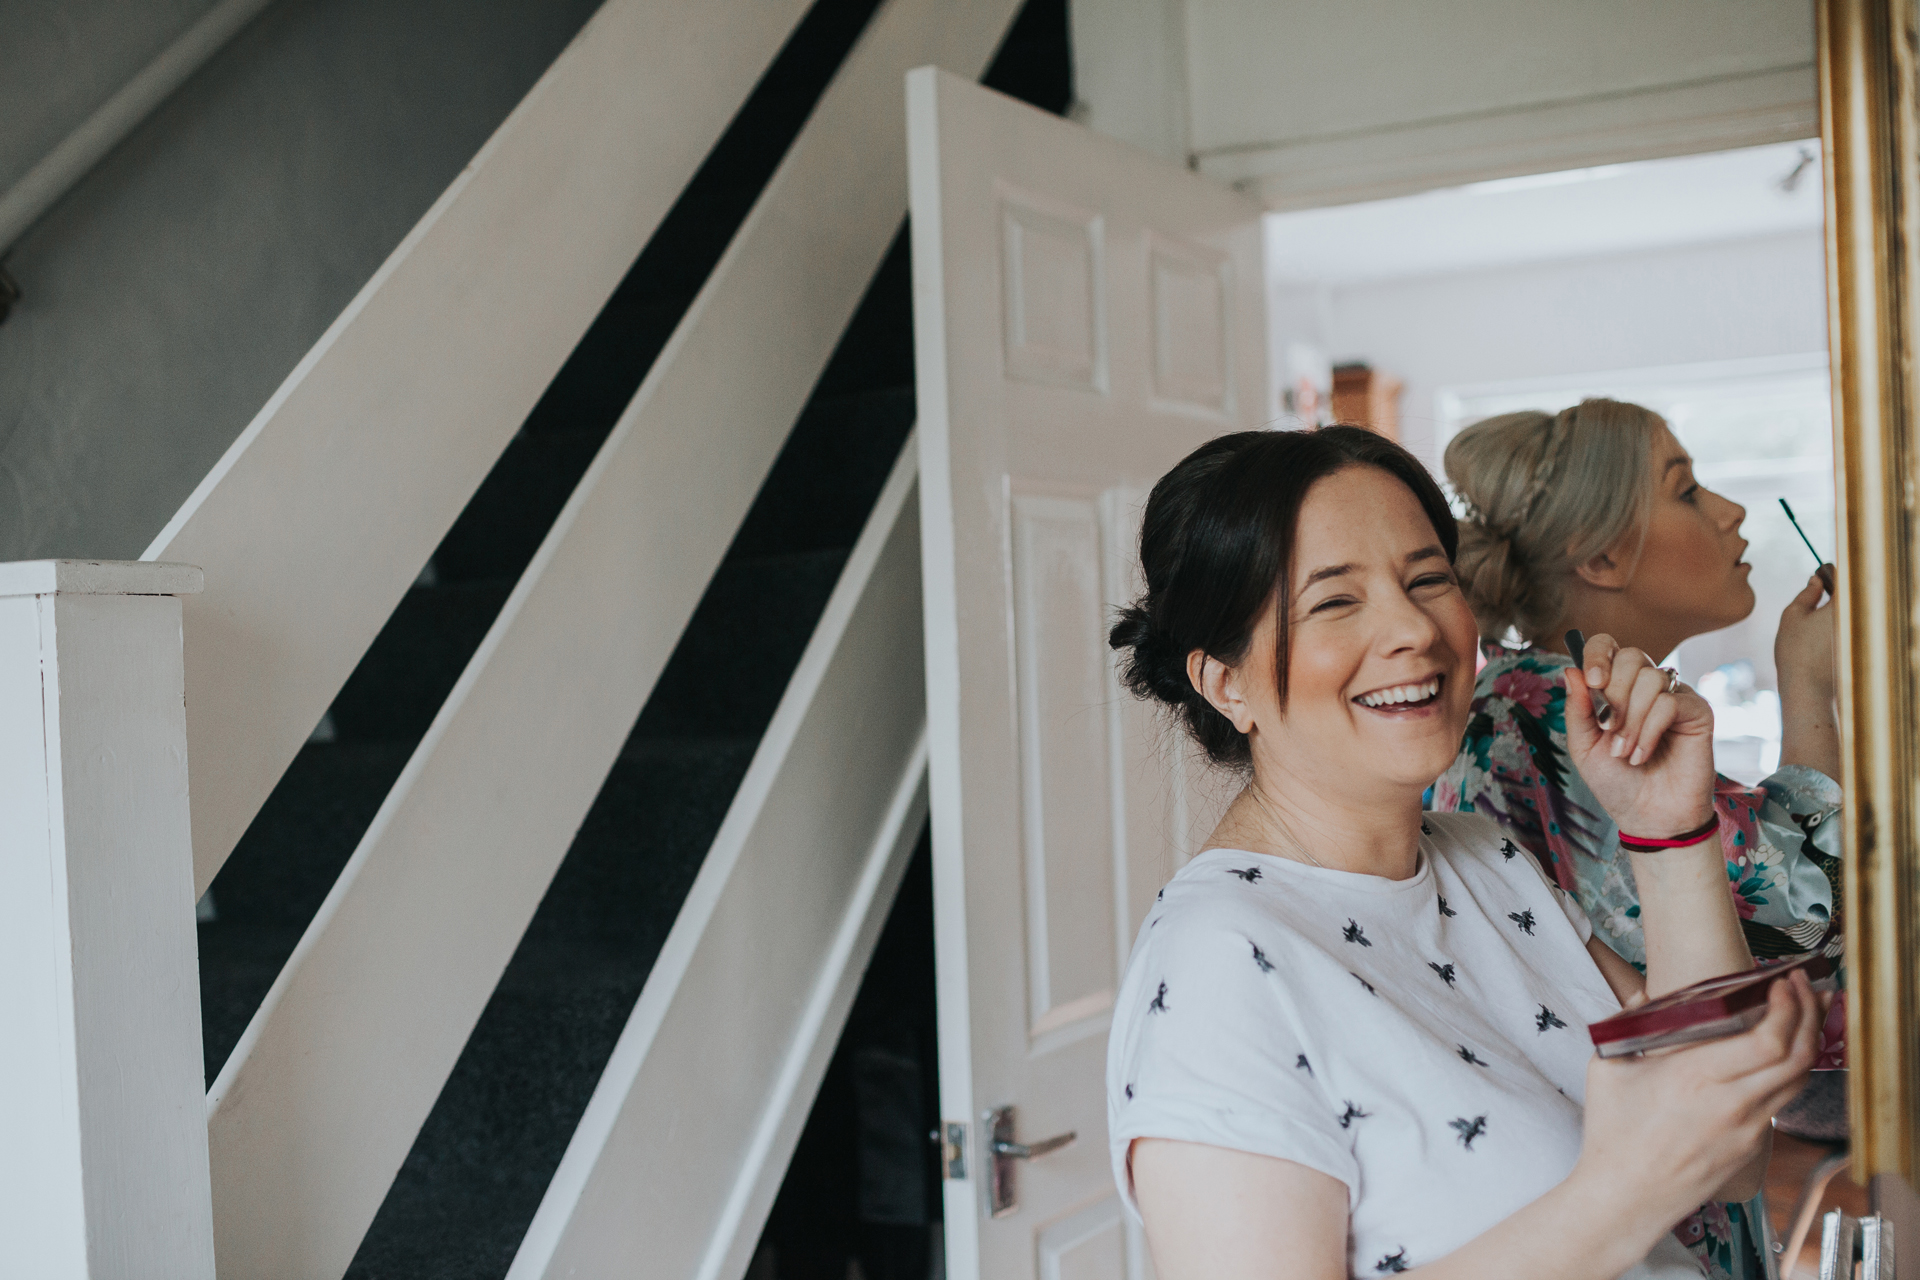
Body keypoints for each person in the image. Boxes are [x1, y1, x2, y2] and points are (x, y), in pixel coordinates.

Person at [1105, 426, 1823, 1280]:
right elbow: (1652, 1177)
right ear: (1227, 684)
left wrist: (1668, 828)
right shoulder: (1216, 965)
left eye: (1426, 580)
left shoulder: (1486, 861)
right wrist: (1622, 1191)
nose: (1413, 627)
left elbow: (1727, 1158)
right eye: (1336, 601)